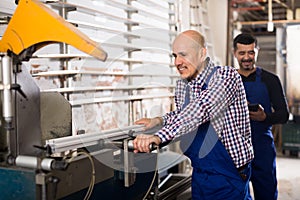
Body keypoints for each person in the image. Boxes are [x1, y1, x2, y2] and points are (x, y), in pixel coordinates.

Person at [133, 30, 254, 200]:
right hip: (201, 170)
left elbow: (201, 109)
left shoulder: (227, 77)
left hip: (228, 173)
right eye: (174, 56)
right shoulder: (183, 84)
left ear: (202, 53)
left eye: (183, 55)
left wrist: (159, 137)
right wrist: (159, 120)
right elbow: (184, 114)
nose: (177, 62)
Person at [233, 33, 289, 200]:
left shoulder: (270, 80)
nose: (247, 58)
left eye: (251, 52)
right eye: (242, 53)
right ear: (234, 53)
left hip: (262, 148)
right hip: (234, 149)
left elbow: (284, 115)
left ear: (257, 51)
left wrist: (265, 118)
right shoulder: (228, 80)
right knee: (235, 194)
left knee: (267, 194)